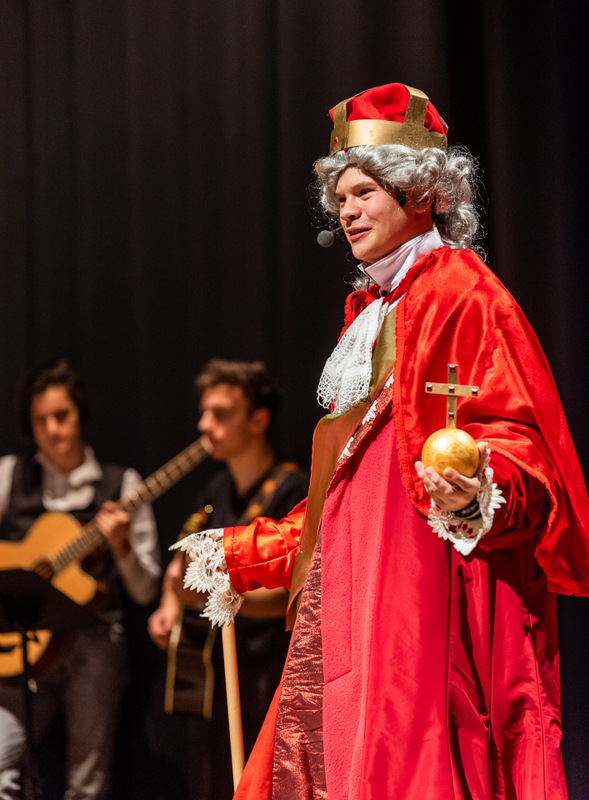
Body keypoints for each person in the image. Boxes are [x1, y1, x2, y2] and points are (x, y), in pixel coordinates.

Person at [175, 83, 589, 800]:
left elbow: (523, 447)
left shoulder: (460, 291)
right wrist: (248, 551)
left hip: (422, 615)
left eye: (364, 191)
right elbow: (349, 496)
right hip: (354, 615)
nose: (346, 210)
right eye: (340, 196)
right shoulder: (374, 309)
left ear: (421, 193)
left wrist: (479, 486)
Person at [147, 359, 308, 800]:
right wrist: (168, 605)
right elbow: (183, 559)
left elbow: (294, 593)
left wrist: (209, 599)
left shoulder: (294, 491)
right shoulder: (214, 490)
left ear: (258, 419)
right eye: (204, 412)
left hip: (269, 667)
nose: (204, 425)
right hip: (215, 667)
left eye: (220, 414)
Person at [0, 359, 161, 800]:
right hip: (20, 647)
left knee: (86, 785)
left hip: (94, 645)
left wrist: (122, 547)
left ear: (80, 415)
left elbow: (145, 591)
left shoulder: (122, 484)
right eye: (40, 420)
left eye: (61, 416)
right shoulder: (10, 475)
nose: (52, 430)